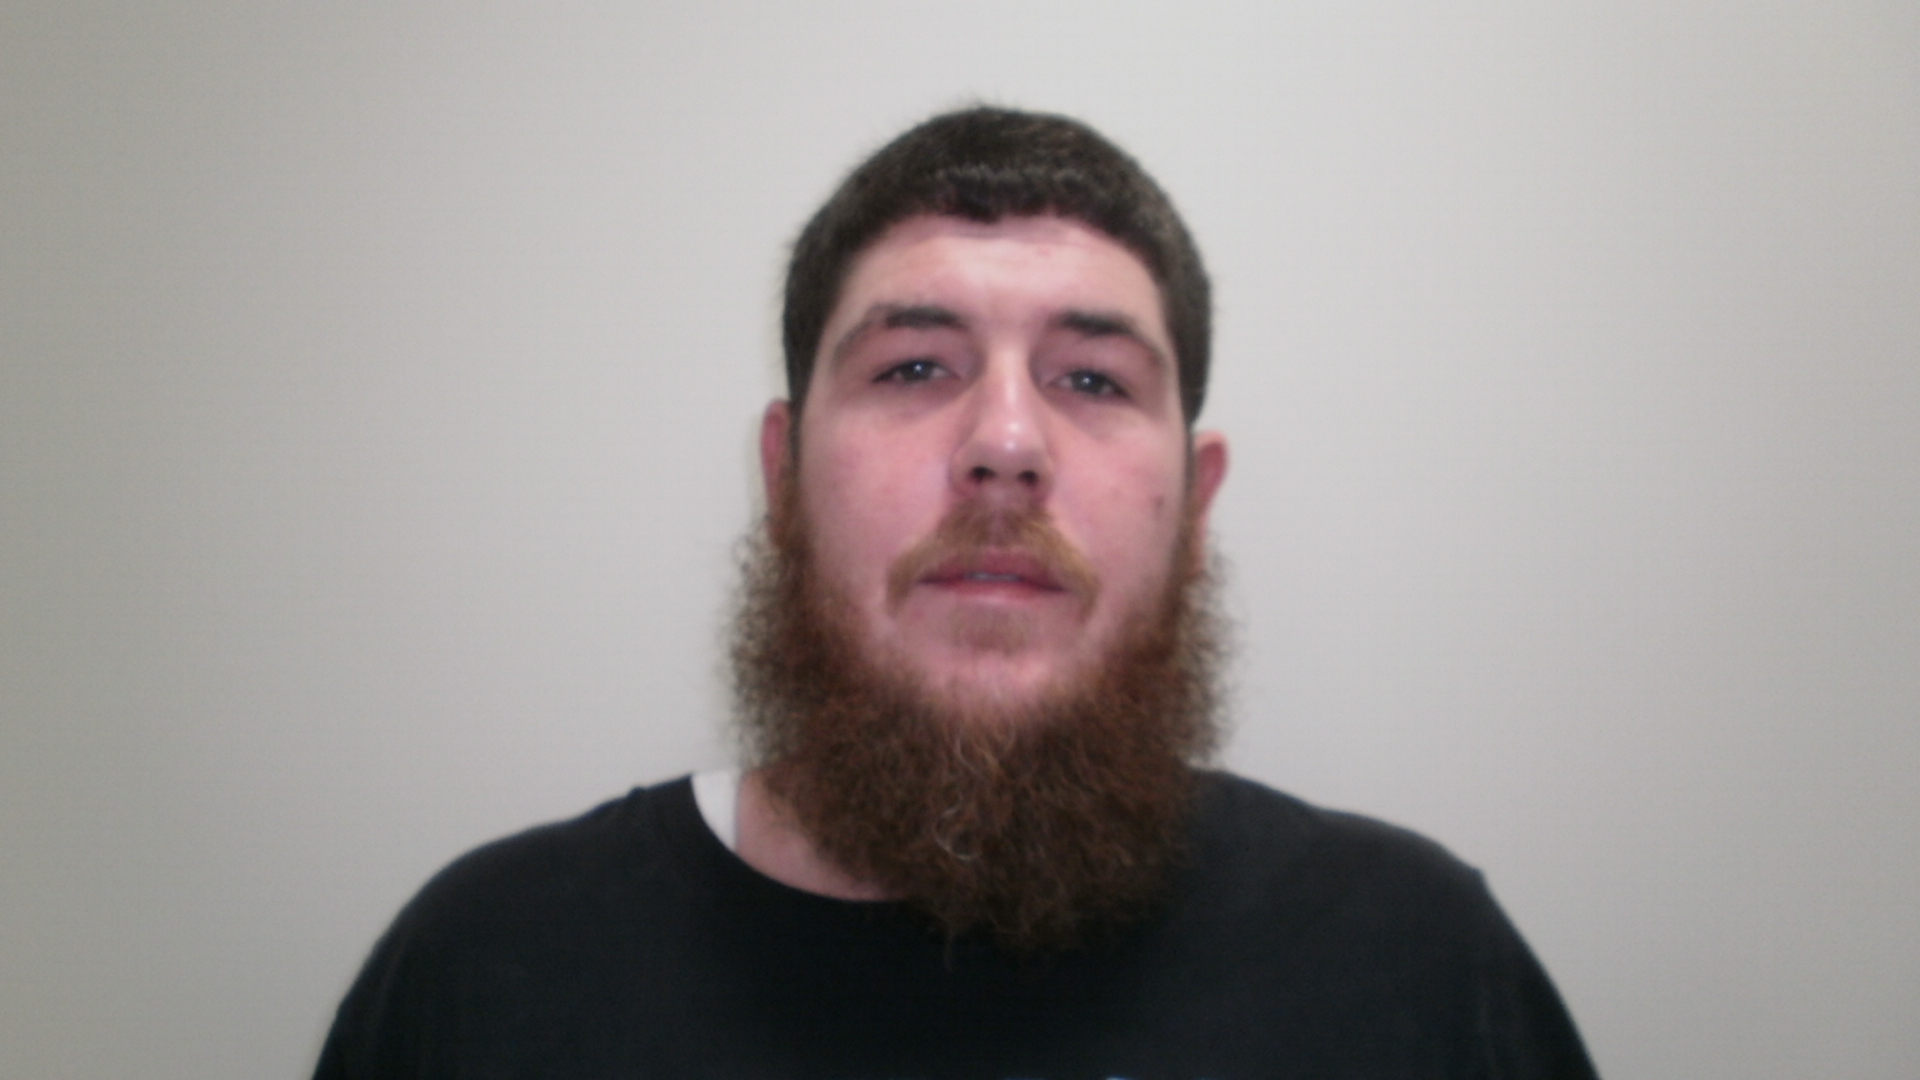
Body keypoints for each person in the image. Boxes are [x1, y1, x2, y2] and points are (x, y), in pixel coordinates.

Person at [313, 106, 1599, 1079]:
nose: (1007, 443)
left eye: (1092, 379)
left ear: (1196, 504)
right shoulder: (488, 972)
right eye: (916, 366)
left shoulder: (1418, 964)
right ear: (783, 476)